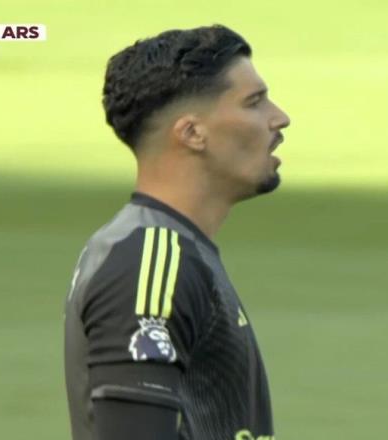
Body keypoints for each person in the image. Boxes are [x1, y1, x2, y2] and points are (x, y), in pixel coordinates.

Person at [64, 24, 291, 440]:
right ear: (192, 133)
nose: (279, 118)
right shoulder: (150, 260)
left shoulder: (174, 250)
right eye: (254, 102)